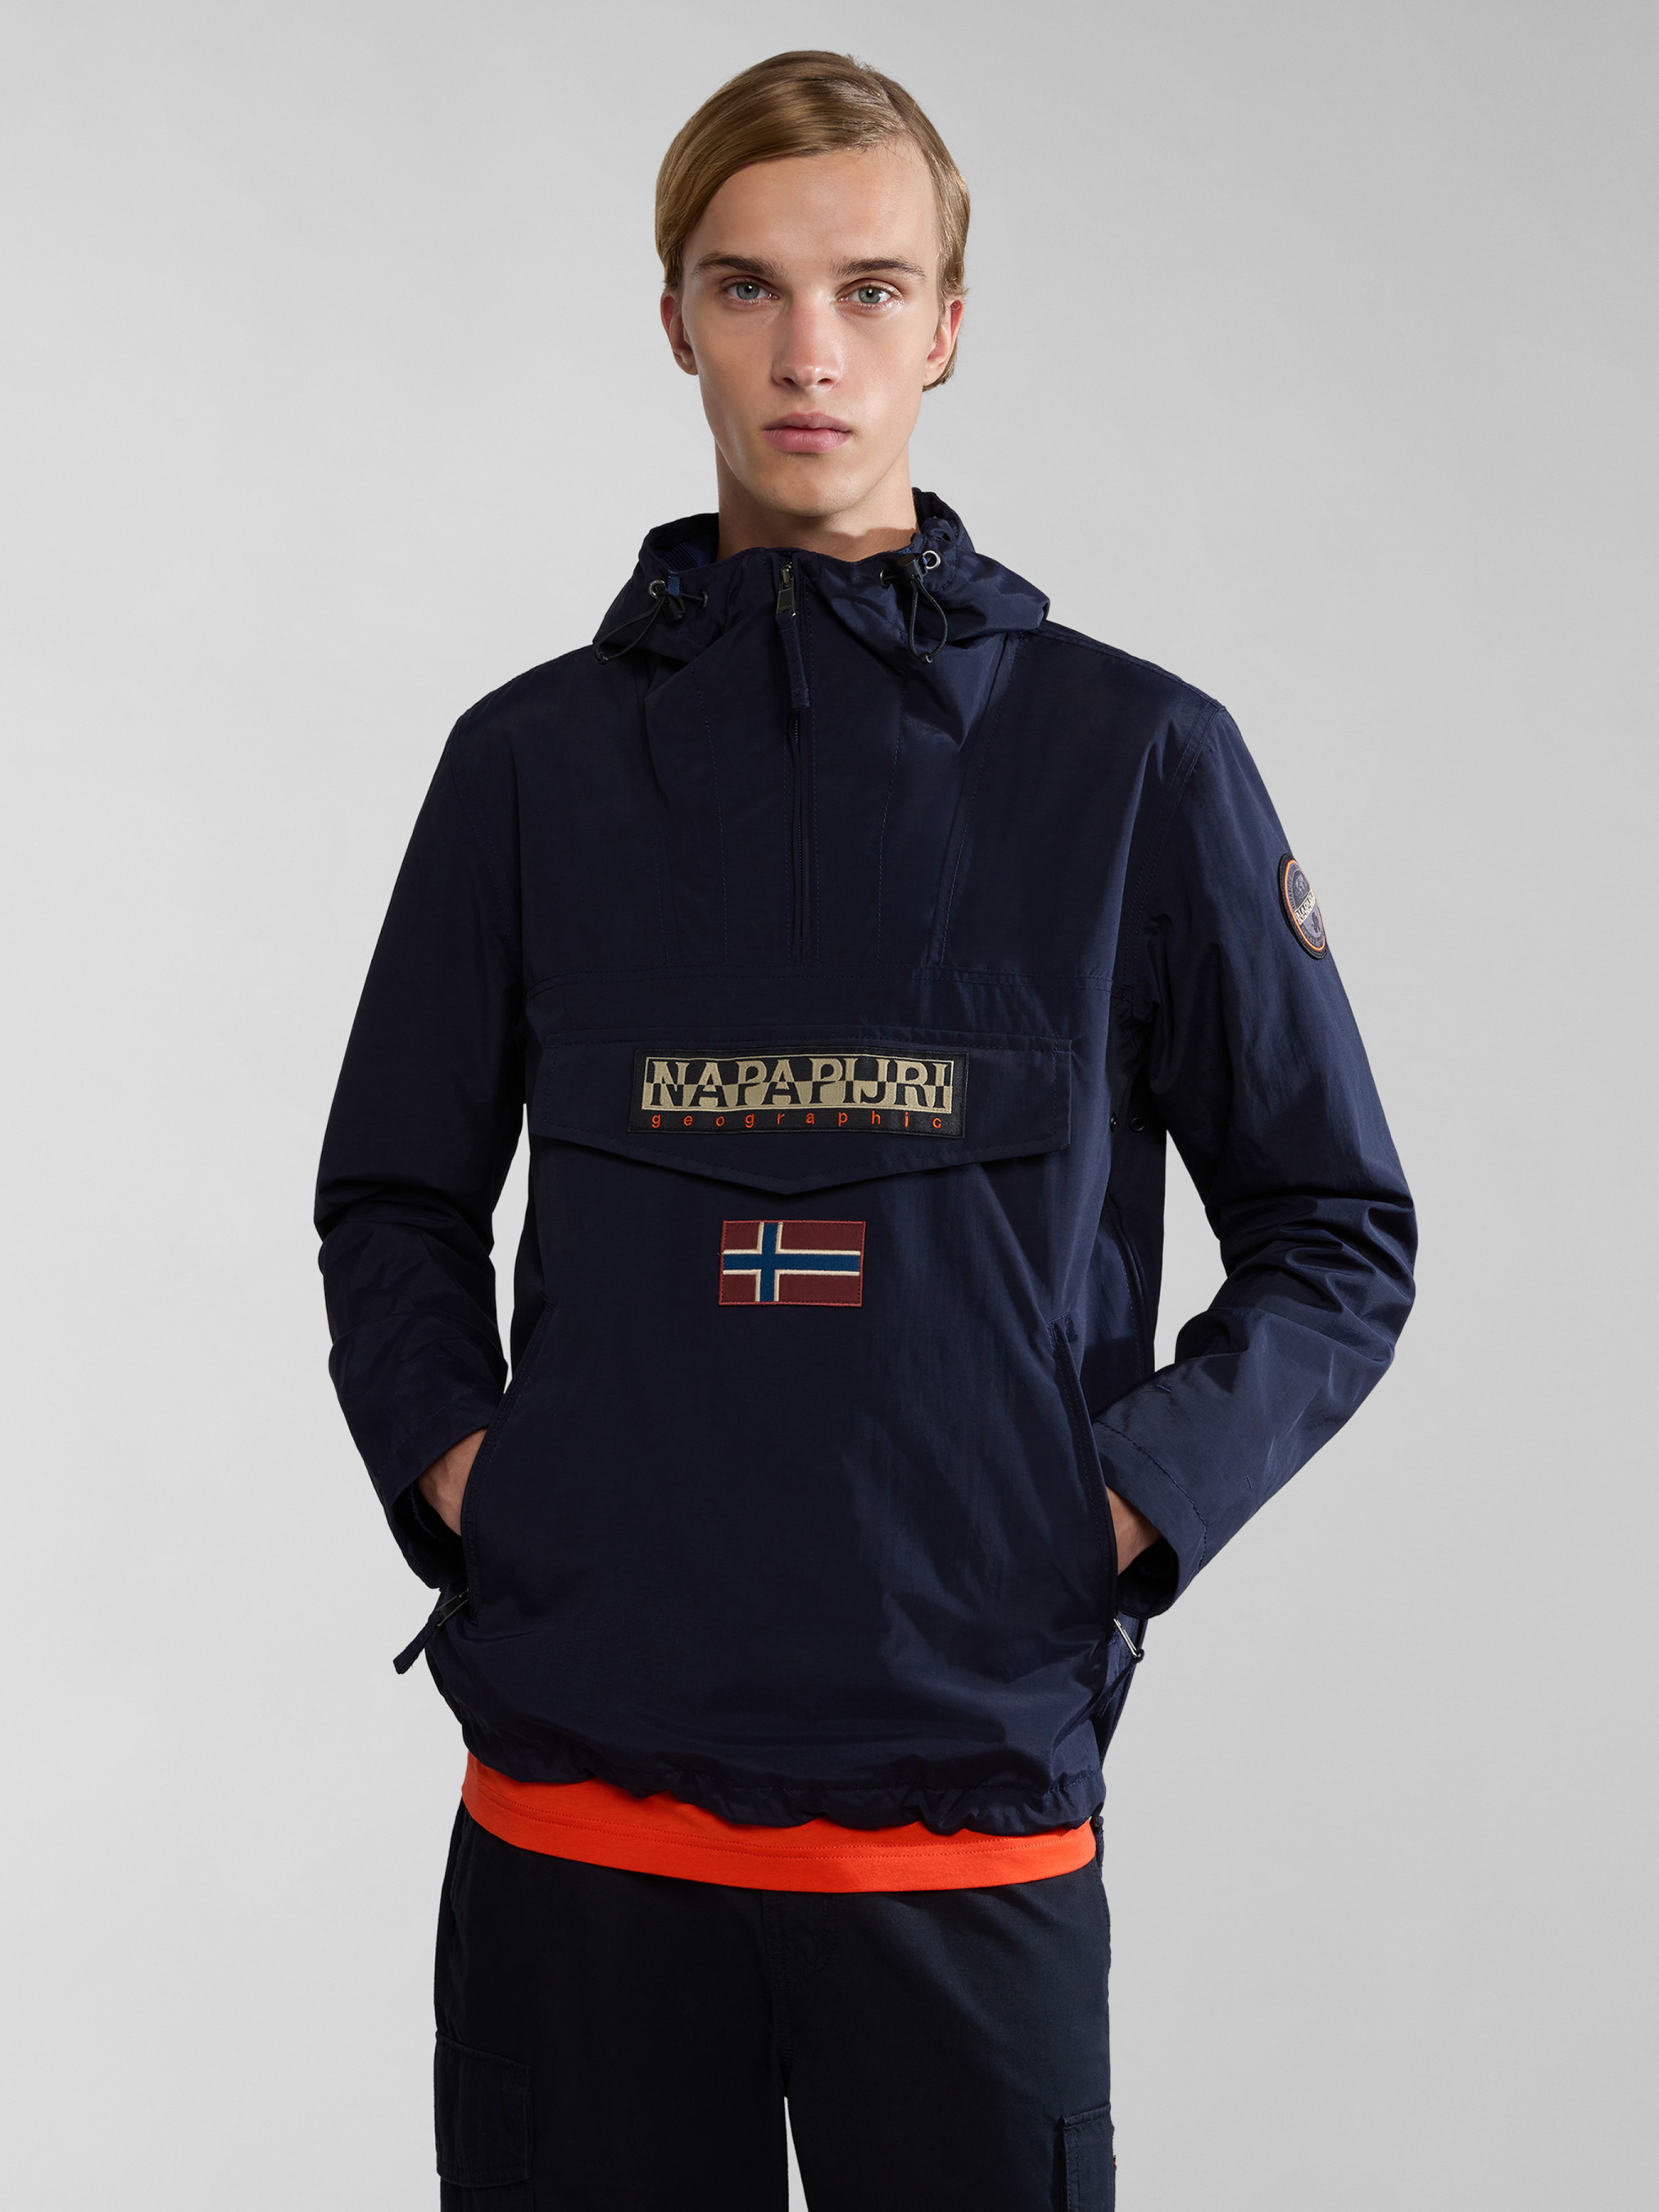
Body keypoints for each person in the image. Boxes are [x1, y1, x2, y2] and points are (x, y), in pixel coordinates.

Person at [315, 48, 1416, 2211]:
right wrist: (480, 1478)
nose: (807, 353)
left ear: (947, 328)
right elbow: (391, 1196)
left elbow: (1334, 1231)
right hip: (576, 1816)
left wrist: (1104, 1512)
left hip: (963, 1814)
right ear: (674, 320)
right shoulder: (525, 766)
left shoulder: (1138, 761)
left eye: (869, 289)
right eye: (747, 288)